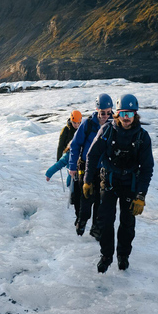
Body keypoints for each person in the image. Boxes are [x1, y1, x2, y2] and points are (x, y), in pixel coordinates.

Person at [84, 94, 154, 273]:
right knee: (105, 221)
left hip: (130, 184)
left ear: (135, 115)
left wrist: (140, 195)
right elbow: (92, 155)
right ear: (118, 114)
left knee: (127, 222)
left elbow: (147, 168)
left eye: (130, 114)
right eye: (123, 113)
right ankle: (106, 255)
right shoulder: (107, 131)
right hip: (109, 181)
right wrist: (87, 180)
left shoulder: (142, 137)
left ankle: (123, 255)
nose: (126, 118)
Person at [68, 94, 113, 238]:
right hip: (87, 168)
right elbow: (75, 145)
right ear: (97, 110)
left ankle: (96, 229)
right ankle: (81, 221)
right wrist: (72, 166)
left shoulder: (113, 126)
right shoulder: (87, 125)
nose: (105, 116)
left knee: (101, 202)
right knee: (86, 199)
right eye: (103, 112)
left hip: (104, 170)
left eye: (108, 112)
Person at [45, 143, 81, 220]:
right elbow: (59, 164)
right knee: (76, 197)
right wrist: (49, 173)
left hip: (84, 180)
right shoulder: (69, 155)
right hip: (73, 181)